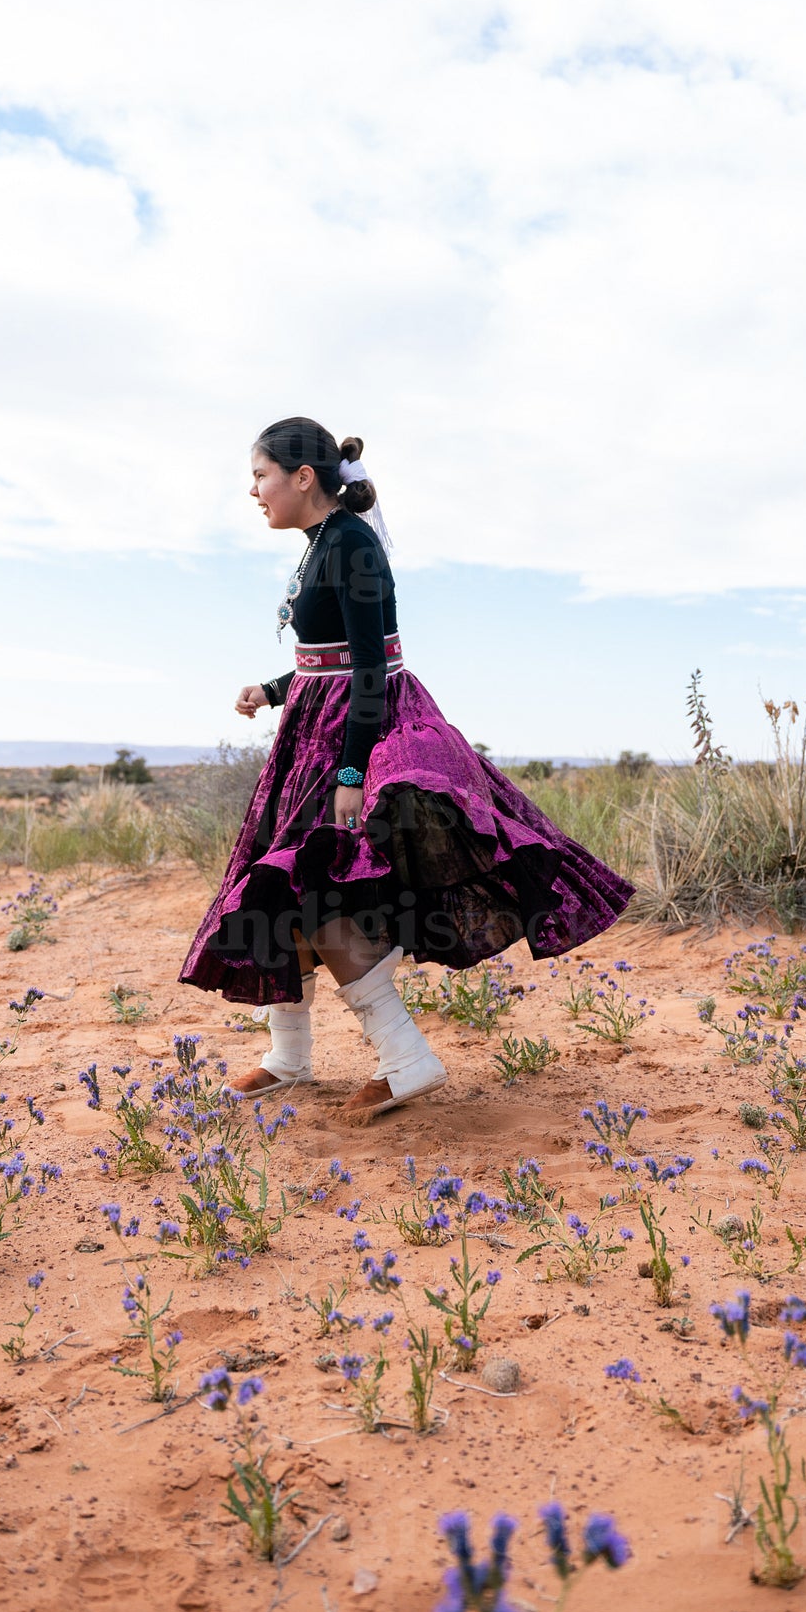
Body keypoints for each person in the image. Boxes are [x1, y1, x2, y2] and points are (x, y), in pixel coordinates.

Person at [178, 418, 636, 1113]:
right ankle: (289, 1056)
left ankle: (406, 1058)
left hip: (354, 734)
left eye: (261, 475)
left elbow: (371, 668)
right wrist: (274, 690)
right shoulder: (320, 542)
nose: (253, 491)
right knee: (277, 888)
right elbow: (327, 653)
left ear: (304, 477)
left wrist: (352, 774)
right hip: (314, 726)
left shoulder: (353, 544)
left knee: (313, 886)